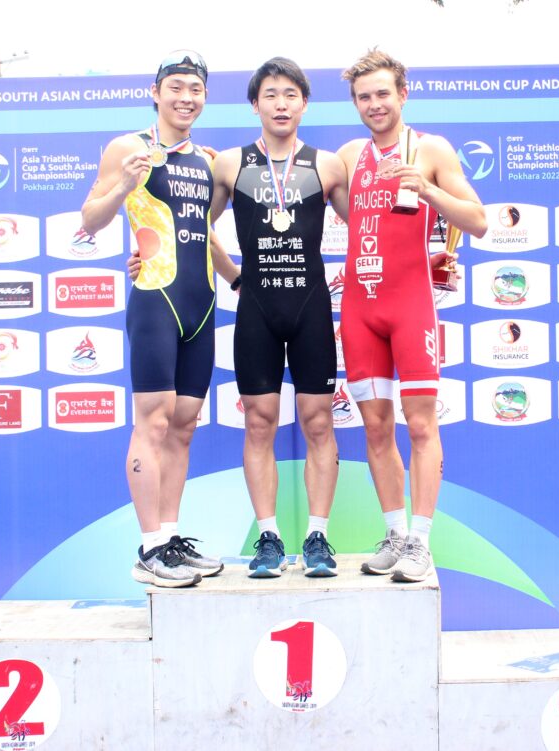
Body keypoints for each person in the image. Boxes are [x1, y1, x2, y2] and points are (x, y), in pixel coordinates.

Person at [129, 57, 349, 578]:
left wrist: (426, 258)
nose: (281, 104)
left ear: (304, 103)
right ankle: (269, 537)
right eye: (270, 95)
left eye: (290, 95)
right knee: (258, 422)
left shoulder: (329, 165)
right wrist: (156, 255)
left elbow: (368, 227)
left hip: (310, 305)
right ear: (255, 105)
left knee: (320, 421)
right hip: (257, 310)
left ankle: (318, 536)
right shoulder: (227, 164)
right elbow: (187, 225)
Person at [82, 50, 235, 588]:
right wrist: (123, 186)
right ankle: (149, 549)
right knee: (152, 422)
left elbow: (200, 232)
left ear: (205, 96)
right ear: (155, 92)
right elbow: (90, 220)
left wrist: (238, 280)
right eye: (176, 87)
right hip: (156, 300)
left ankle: (169, 538)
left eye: (195, 88)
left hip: (202, 303)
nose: (185, 97)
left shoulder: (208, 161)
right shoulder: (128, 148)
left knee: (184, 425)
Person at [336, 49, 488, 582]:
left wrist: (427, 189)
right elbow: (295, 187)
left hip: (410, 306)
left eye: (383, 93)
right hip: (360, 308)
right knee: (375, 429)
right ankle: (396, 534)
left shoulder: (431, 149)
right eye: (364, 97)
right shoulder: (348, 155)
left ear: (403, 94)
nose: (374, 104)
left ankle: (421, 543)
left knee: (421, 424)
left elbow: (478, 220)